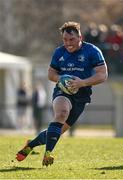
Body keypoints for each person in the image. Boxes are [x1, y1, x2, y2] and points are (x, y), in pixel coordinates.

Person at [16, 21, 108, 166]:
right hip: (62, 91)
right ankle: (48, 154)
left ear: (80, 37)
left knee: (56, 132)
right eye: (65, 40)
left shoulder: (92, 51)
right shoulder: (59, 52)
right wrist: (61, 79)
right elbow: (51, 74)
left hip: (82, 95)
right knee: (61, 113)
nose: (68, 43)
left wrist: (82, 83)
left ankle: (30, 145)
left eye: (71, 40)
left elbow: (103, 75)